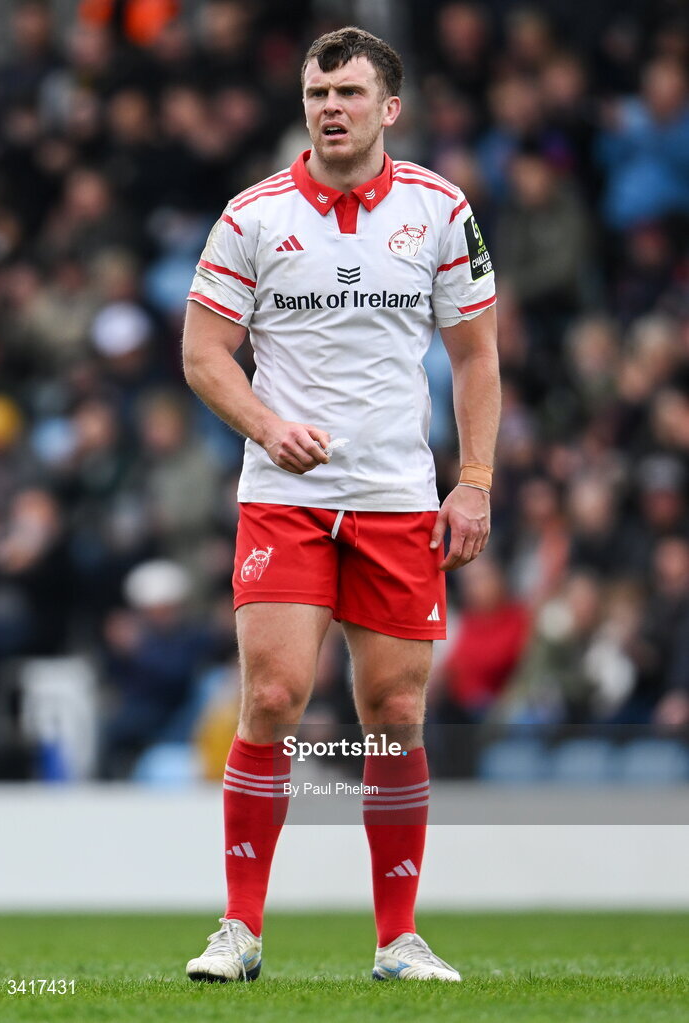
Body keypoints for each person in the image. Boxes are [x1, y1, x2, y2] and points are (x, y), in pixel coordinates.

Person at [182, 26, 500, 983]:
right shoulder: (252, 217)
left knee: (394, 715)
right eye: (320, 94)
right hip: (286, 494)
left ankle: (397, 939)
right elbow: (203, 355)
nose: (331, 108)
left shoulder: (442, 211)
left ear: (388, 108)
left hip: (398, 499)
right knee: (274, 697)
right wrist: (267, 424)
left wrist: (474, 478)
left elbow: (477, 358)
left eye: (351, 94)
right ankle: (238, 931)